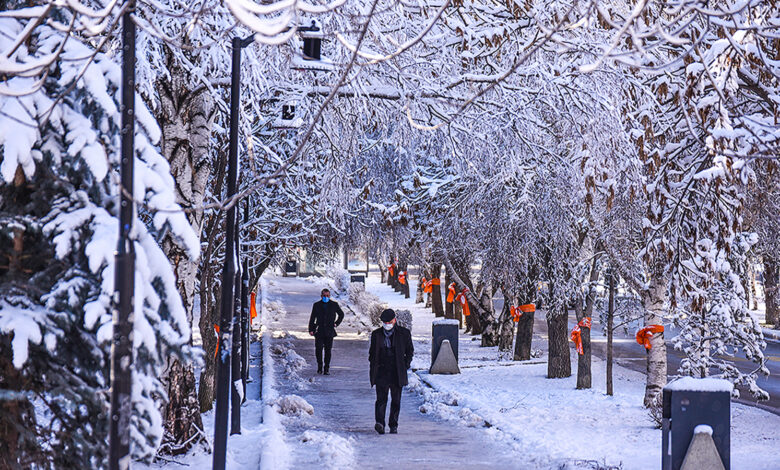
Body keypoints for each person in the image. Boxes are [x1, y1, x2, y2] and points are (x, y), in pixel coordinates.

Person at [368, 309, 413, 434]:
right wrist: (373, 363)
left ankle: (393, 425)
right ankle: (380, 423)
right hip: (382, 370)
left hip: (397, 371)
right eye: (385, 322)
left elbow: (409, 351)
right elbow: (372, 352)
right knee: (381, 399)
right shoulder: (377, 334)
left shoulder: (403, 333)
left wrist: (405, 364)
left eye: (389, 321)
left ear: (394, 320)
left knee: (396, 400)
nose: (387, 324)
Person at [308, 288, 344, 375]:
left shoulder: (334, 304)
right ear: (321, 296)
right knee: (318, 349)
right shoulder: (317, 305)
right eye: (324, 296)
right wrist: (311, 329)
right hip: (319, 330)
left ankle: (326, 368)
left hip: (329, 331)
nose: (326, 297)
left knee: (328, 350)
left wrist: (336, 323)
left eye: (327, 296)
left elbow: (341, 314)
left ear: (330, 296)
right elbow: (312, 318)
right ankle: (319, 367)